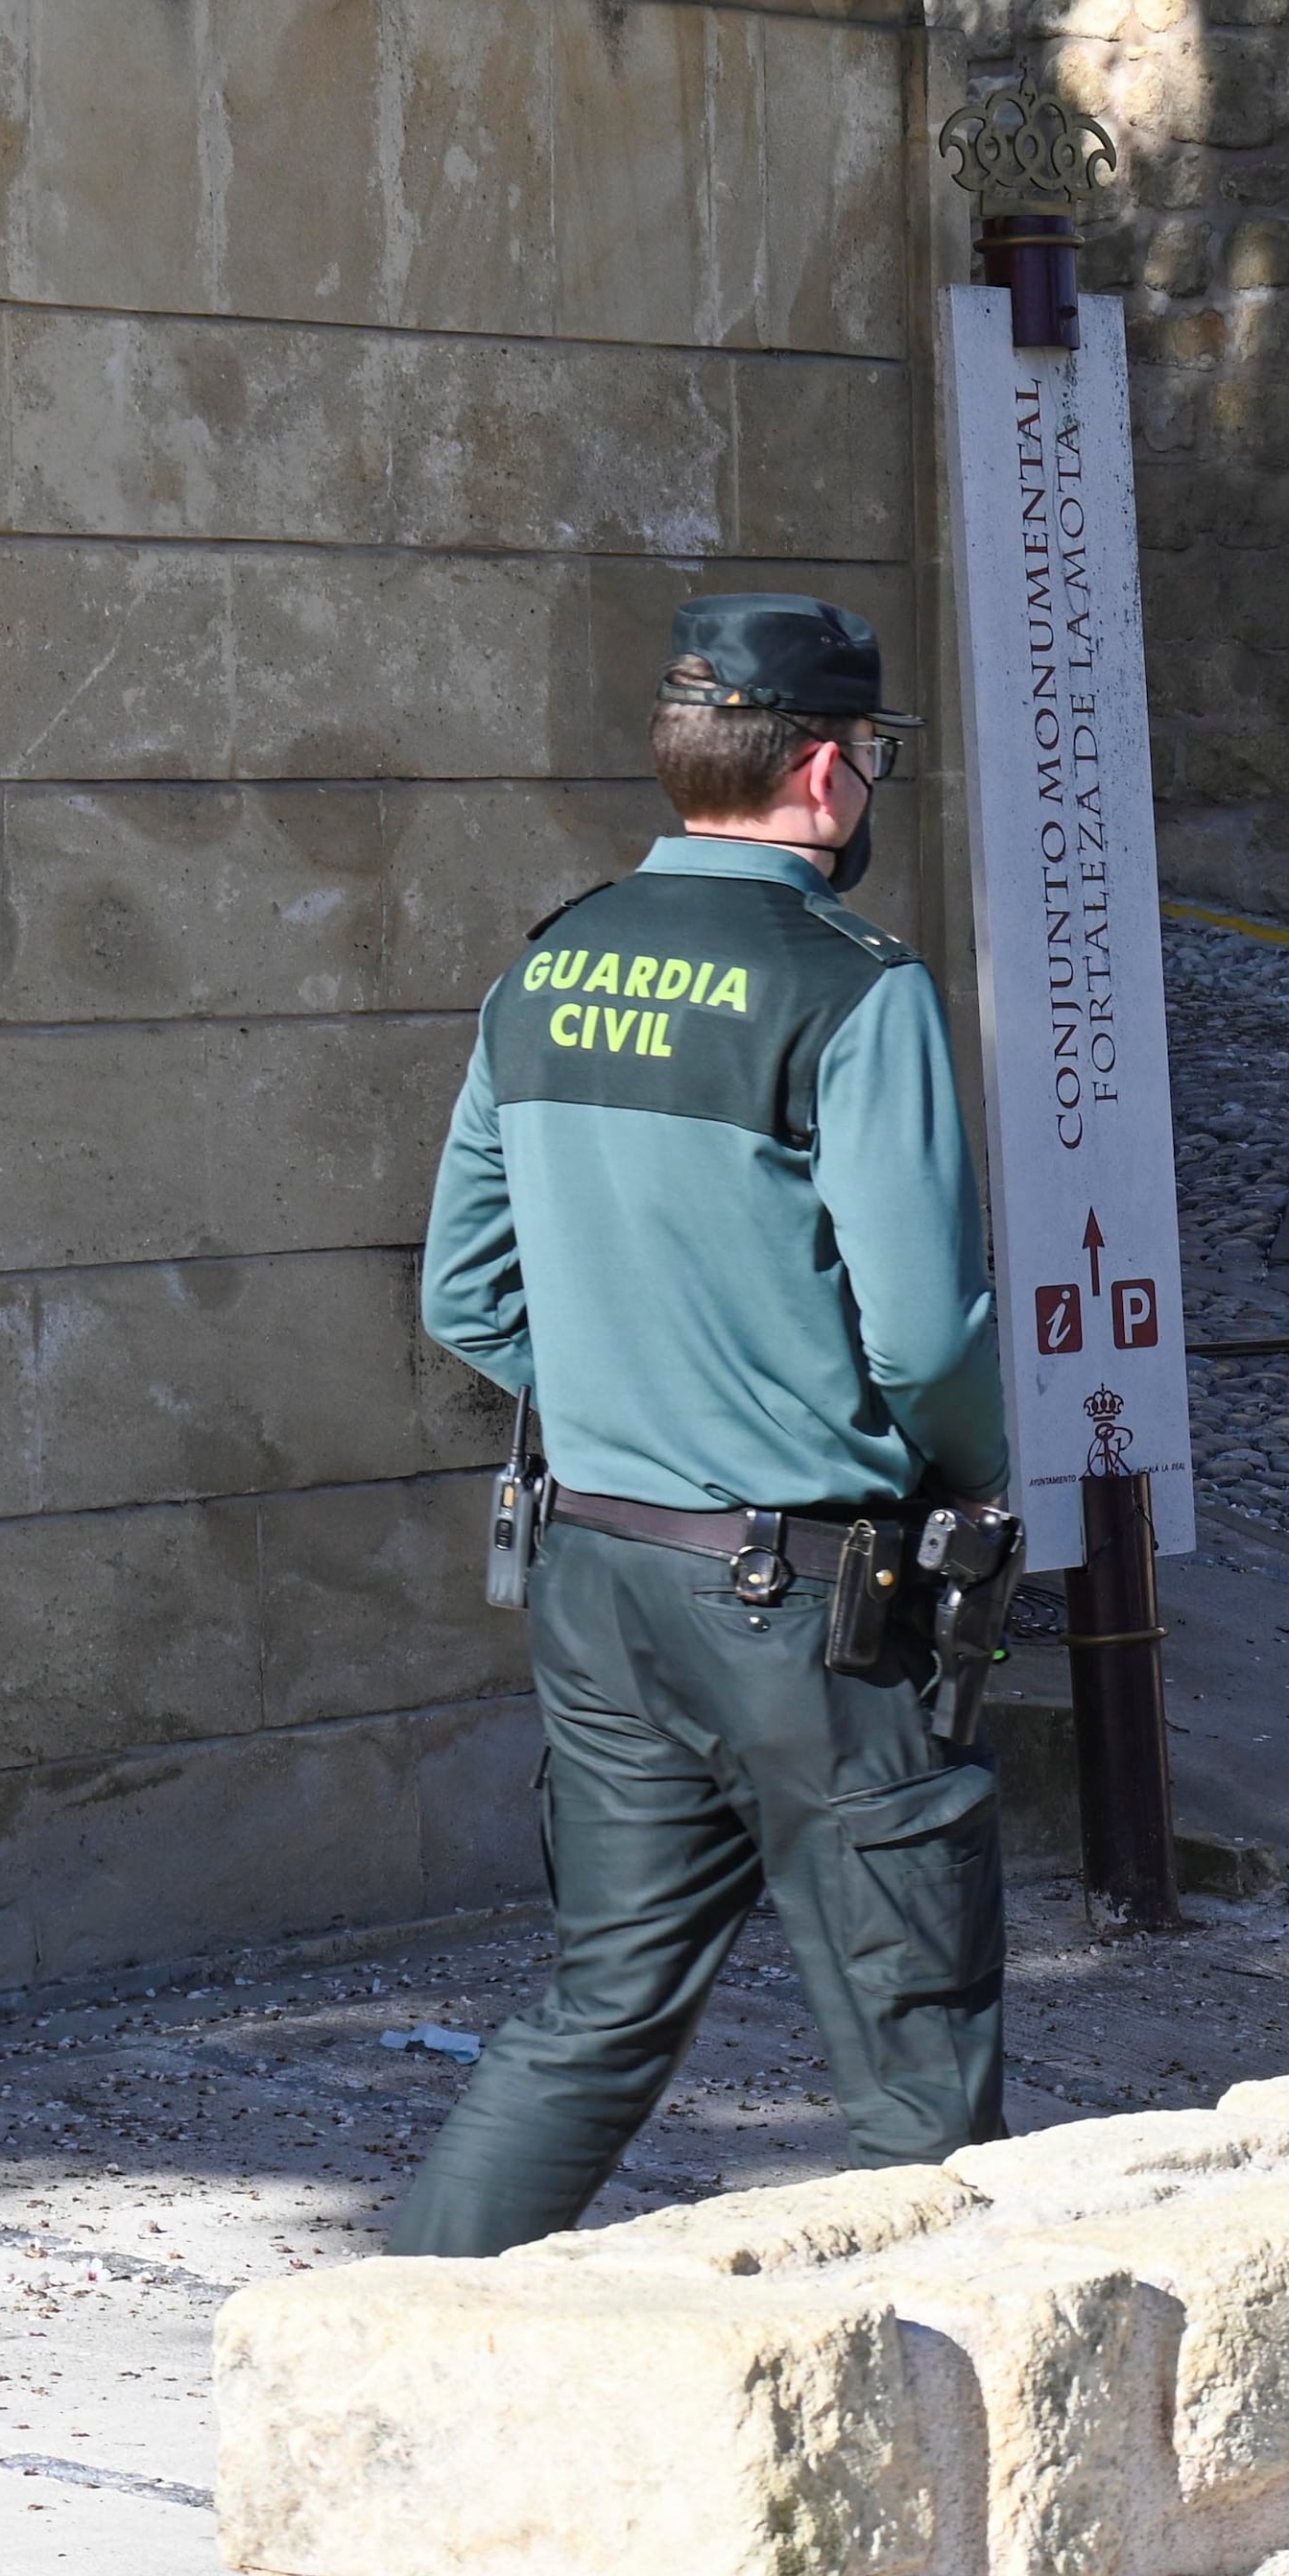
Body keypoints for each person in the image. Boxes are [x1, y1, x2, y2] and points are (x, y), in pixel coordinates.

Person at [394, 594, 1011, 2256]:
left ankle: (393, 2352)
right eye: (872, 755)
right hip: (807, 1594)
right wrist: (967, 1468)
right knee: (914, 2064)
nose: (870, 786)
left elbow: (465, 1291)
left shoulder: (549, 964)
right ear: (822, 766)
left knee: (598, 2014)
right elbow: (925, 1331)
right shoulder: (853, 986)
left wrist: (626, 1388)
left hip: (597, 1569)